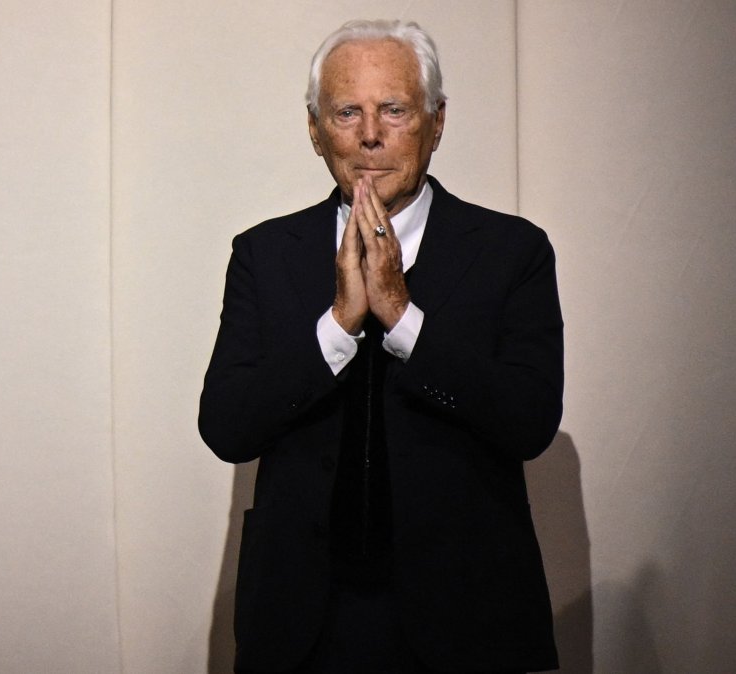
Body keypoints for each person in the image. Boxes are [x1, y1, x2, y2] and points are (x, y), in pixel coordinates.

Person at [199, 19, 563, 674]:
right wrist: (339, 323)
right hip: (302, 623)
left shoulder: (512, 252)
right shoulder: (263, 255)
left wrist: (401, 316)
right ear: (315, 130)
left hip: (465, 617)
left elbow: (529, 422)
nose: (370, 134)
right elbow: (227, 428)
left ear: (436, 122)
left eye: (393, 109)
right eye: (347, 112)